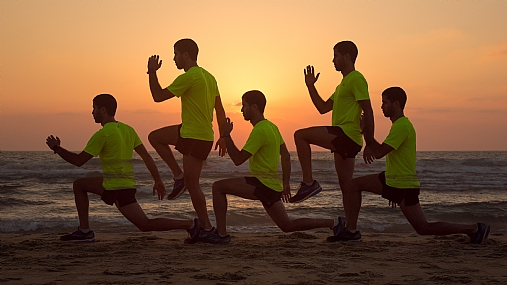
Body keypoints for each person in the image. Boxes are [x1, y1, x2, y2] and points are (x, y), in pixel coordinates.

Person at [336, 87, 490, 243]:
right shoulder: (398, 125)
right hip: (393, 181)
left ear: (396, 104)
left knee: (423, 228)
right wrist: (391, 192)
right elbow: (393, 156)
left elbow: (379, 152)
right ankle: (351, 230)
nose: (382, 106)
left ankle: (474, 228)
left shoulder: (402, 126)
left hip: (403, 185)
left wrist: (366, 132)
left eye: (384, 102)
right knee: (353, 185)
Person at [45, 94, 201, 242]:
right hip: (122, 184)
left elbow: (78, 161)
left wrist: (57, 148)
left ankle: (190, 224)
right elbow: (146, 157)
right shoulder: (128, 130)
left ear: (103, 110)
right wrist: (157, 180)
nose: (92, 112)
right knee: (79, 185)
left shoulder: (103, 134)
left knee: (145, 225)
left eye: (94, 108)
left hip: (116, 187)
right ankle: (84, 231)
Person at [208, 90, 346, 244]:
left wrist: (226, 135)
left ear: (254, 107)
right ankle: (334, 223)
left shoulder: (260, 130)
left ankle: (221, 234)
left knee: (218, 187)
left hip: (261, 184)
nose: (241, 110)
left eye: (244, 105)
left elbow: (238, 159)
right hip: (272, 186)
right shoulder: (272, 127)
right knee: (287, 225)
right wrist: (285, 183)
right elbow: (286, 155)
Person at [146, 38, 227, 233]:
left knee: (155, 138)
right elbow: (220, 109)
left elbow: (157, 96)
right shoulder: (209, 77)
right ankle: (205, 225)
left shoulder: (189, 76)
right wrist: (223, 135)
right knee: (193, 184)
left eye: (175, 54)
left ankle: (206, 226)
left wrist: (152, 72)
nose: (174, 59)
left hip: (192, 134)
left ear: (186, 55)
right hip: (203, 134)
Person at [291, 40, 375, 203]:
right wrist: (310, 86)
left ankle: (308, 183)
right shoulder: (341, 86)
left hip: (346, 134)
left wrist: (370, 142)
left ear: (347, 57)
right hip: (346, 140)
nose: (333, 60)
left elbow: (368, 110)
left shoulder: (356, 78)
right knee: (346, 186)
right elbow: (322, 108)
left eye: (335, 56)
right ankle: (350, 228)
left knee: (300, 135)